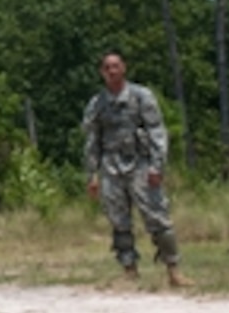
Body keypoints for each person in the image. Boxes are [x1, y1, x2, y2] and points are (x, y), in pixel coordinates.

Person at [82, 50, 193, 288]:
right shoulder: (98, 104)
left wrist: (157, 165)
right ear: (102, 73)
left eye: (116, 66)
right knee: (119, 220)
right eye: (107, 67)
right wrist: (92, 174)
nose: (112, 71)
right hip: (111, 166)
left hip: (140, 164)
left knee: (157, 216)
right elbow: (92, 140)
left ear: (124, 68)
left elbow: (156, 131)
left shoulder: (141, 97)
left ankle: (173, 270)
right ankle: (129, 270)